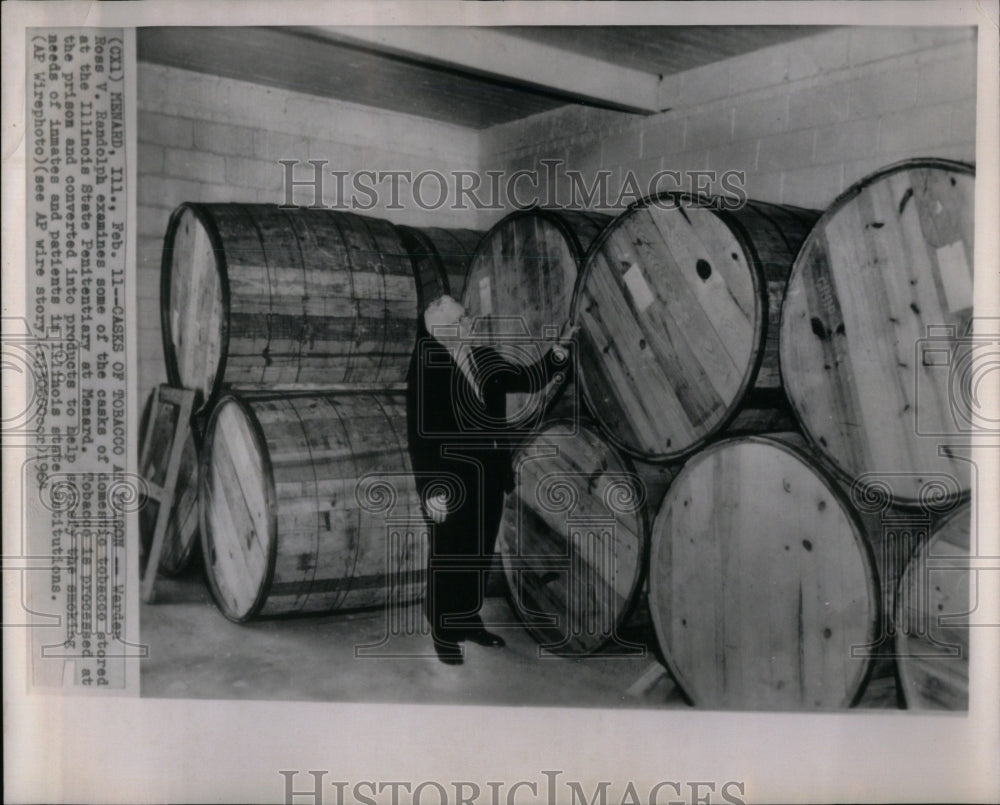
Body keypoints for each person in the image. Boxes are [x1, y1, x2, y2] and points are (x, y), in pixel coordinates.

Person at [406, 294, 574, 665]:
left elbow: (526, 379)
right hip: (451, 482)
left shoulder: (481, 356)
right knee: (448, 556)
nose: (470, 324)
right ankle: (443, 630)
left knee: (478, 552)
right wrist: (430, 488)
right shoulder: (425, 365)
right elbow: (419, 436)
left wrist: (558, 352)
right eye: (461, 320)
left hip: (488, 475)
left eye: (466, 318)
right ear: (439, 329)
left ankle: (467, 619)